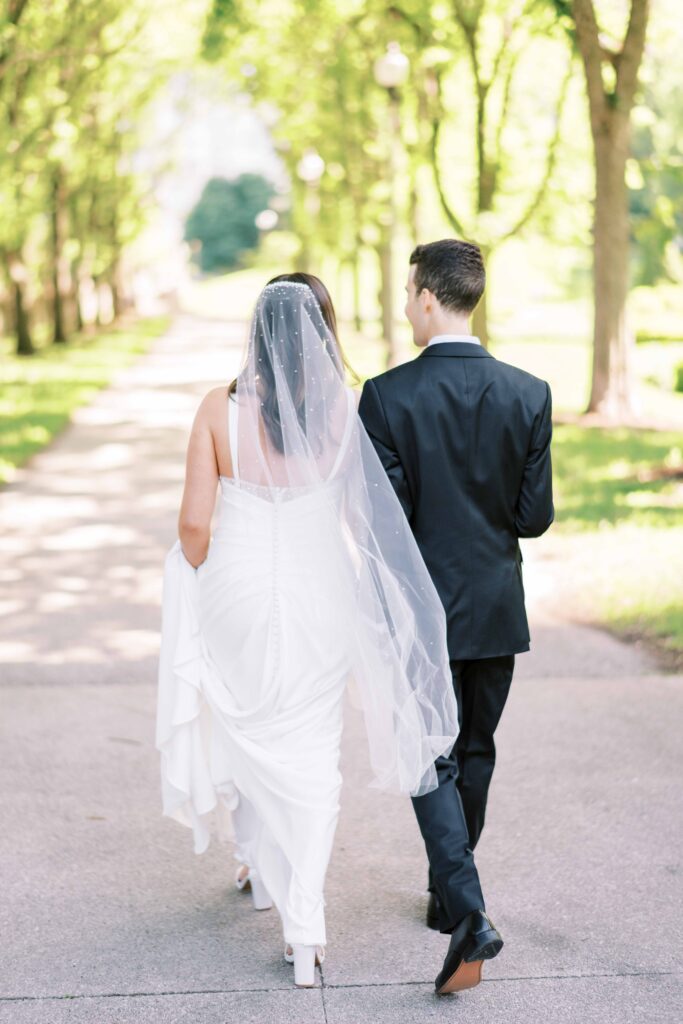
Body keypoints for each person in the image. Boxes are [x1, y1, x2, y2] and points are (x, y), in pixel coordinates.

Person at [156, 274, 462, 990]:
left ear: (256, 332)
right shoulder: (342, 416)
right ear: (321, 336)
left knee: (246, 725)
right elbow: (363, 524)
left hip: (236, 591)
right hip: (319, 590)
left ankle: (261, 871)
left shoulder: (216, 410)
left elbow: (194, 527)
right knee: (312, 749)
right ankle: (304, 926)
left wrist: (194, 573)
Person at [359, 238, 554, 991]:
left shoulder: (384, 396)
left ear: (429, 298)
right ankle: (449, 899)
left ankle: (466, 909)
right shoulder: (528, 391)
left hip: (421, 611)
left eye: (409, 294)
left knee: (426, 755)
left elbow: (385, 521)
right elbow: (532, 517)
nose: (406, 305)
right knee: (473, 750)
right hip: (496, 605)